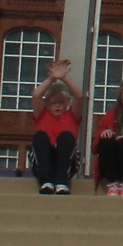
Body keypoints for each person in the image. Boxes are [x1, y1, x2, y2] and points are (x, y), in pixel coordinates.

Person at [30, 59, 82, 194]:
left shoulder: (72, 116)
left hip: (65, 162)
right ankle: (46, 182)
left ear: (67, 104)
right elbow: (36, 95)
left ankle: (61, 182)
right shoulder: (42, 115)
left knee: (66, 136)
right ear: (47, 104)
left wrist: (64, 78)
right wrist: (52, 78)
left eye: (61, 102)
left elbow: (80, 96)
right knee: (40, 136)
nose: (58, 105)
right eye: (54, 102)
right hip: (43, 162)